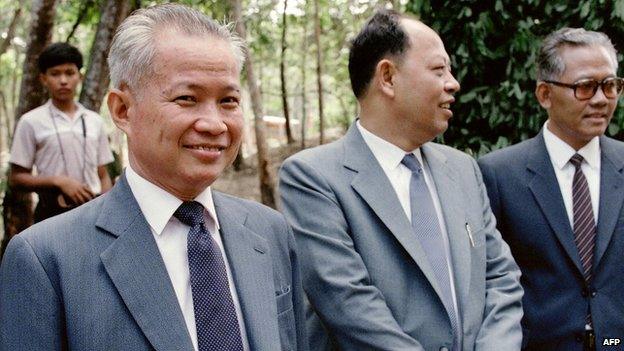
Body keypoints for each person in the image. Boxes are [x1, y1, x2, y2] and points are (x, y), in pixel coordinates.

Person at [0, 4, 307, 351]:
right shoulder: (46, 259)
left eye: (228, 100)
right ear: (122, 110)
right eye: (187, 98)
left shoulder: (270, 232)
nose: (214, 124)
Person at [279, 9, 523, 351]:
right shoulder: (313, 178)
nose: (453, 83)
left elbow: (501, 278)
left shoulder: (463, 169)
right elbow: (348, 305)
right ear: (388, 77)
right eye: (439, 70)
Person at [478, 28, 624, 351]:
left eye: (610, 85)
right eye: (585, 87)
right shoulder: (499, 175)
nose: (601, 99)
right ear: (544, 94)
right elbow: (489, 283)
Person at [8, 42, 113, 222]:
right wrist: (58, 181)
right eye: (55, 74)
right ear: (43, 79)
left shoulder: (94, 120)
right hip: (51, 212)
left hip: (94, 210)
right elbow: (16, 178)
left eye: (69, 73)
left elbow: (102, 174)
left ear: (79, 77)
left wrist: (107, 209)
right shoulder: (31, 121)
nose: (63, 80)